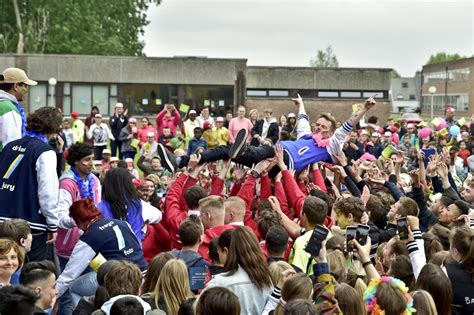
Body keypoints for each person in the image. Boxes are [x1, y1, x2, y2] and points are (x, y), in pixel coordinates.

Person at [158, 94, 376, 173]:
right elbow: (302, 119)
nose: (319, 128)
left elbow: (347, 126)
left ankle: (243, 150)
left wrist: (364, 109)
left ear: (330, 131)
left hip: (283, 164)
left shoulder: (331, 145)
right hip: (274, 150)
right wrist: (300, 104)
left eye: (323, 128)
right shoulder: (307, 136)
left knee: (253, 153)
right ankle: (181, 160)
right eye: (318, 125)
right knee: (227, 150)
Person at [55, 199, 147, 305]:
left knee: (74, 289)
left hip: (120, 279)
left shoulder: (90, 236)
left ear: (78, 221)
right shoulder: (122, 223)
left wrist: (53, 295)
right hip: (142, 273)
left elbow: (70, 274)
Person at [0, 106, 62, 262]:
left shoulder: (9, 146)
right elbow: (47, 192)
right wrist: (53, 225)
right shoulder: (45, 151)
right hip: (30, 223)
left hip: (3, 219)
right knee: (31, 275)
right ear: (53, 129)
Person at [206, 226, 273, 314]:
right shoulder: (266, 279)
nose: (218, 256)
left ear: (226, 251)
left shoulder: (218, 283)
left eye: (219, 252)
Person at [98, 168, 162, 241]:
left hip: (110, 249)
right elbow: (158, 216)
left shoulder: (99, 207)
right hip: (134, 248)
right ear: (128, 184)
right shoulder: (137, 204)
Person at [0, 67, 37, 151]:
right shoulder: (8, 109)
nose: (27, 90)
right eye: (25, 86)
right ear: (16, 86)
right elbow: (13, 145)